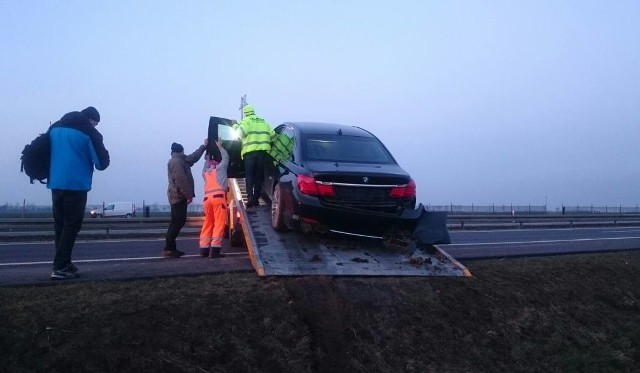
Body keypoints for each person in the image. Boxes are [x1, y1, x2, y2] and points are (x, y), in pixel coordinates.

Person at [47, 106, 110, 280]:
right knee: (72, 226)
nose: (95, 127)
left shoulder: (55, 127)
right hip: (76, 184)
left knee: (60, 225)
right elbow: (101, 163)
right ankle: (60, 267)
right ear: (90, 120)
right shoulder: (89, 132)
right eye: (95, 123)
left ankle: (64, 263)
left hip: (55, 183)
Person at [163, 140, 207, 258]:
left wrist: (203, 147)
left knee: (176, 221)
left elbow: (192, 158)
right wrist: (188, 195)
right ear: (181, 151)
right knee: (178, 221)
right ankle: (169, 248)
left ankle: (170, 248)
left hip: (177, 195)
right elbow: (181, 180)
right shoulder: (176, 162)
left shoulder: (180, 160)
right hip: (178, 196)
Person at [233, 104, 275, 207]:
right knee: (259, 177)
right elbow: (273, 135)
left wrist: (235, 126)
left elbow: (240, 134)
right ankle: (256, 199)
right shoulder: (263, 121)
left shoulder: (246, 121)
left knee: (250, 176)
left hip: (250, 153)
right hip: (262, 154)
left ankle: (250, 198)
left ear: (246, 113)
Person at [199, 138, 229, 258]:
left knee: (208, 223)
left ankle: (204, 249)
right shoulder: (220, 169)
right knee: (219, 223)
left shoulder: (205, 173)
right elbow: (226, 157)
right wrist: (220, 146)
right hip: (218, 199)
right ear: (217, 164)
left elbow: (206, 163)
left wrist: (206, 148)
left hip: (206, 200)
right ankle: (215, 250)